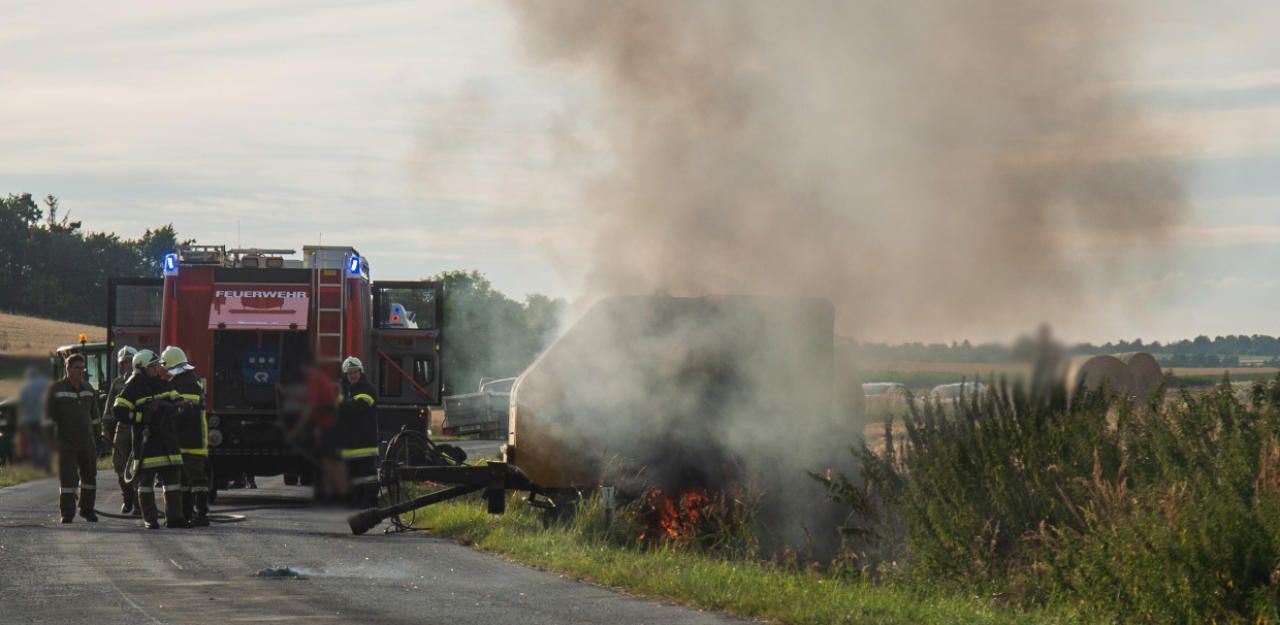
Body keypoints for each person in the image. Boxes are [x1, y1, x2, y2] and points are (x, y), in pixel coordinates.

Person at [114, 349, 186, 529]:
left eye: (157, 365)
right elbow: (119, 410)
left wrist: (175, 407)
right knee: (145, 484)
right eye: (153, 366)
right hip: (147, 444)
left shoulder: (163, 384)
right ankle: (150, 519)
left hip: (167, 443)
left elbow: (179, 403)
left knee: (172, 484)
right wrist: (141, 418)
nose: (157, 369)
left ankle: (174, 518)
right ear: (142, 368)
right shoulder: (133, 387)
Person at [45, 354, 101, 523]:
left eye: (83, 368)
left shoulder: (88, 388)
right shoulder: (56, 389)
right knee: (68, 479)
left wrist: (98, 438)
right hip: (66, 442)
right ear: (68, 369)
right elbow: (48, 419)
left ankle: (87, 510)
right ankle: (67, 513)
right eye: (77, 368)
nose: (81, 371)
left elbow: (95, 417)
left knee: (89, 477)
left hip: (87, 442)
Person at [161, 346, 210, 526]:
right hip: (186, 436)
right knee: (185, 479)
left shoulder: (186, 381)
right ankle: (188, 513)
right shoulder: (186, 379)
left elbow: (184, 409)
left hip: (192, 436)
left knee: (196, 478)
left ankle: (201, 514)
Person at [288, 357, 346, 502]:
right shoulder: (321, 378)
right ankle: (334, 495)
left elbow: (310, 406)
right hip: (330, 424)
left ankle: (339, 495)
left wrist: (296, 430)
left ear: (305, 367)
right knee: (328, 461)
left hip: (329, 425)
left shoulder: (314, 378)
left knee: (331, 462)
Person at [337, 357, 379, 508]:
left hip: (365, 444)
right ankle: (356, 501)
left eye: (355, 372)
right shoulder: (344, 389)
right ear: (345, 375)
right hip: (349, 445)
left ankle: (370, 502)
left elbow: (357, 407)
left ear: (361, 372)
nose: (353, 375)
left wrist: (339, 406)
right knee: (353, 476)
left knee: (367, 475)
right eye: (349, 373)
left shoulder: (368, 388)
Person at [102, 346, 138, 514]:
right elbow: (109, 409)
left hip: (139, 427)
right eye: (123, 363)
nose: (127, 365)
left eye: (129, 362)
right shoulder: (117, 383)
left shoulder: (142, 381)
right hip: (122, 428)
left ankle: (139, 501)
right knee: (118, 464)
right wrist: (106, 429)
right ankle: (128, 497)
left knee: (140, 466)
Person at [17, 367, 51, 472]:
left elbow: (22, 404)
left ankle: (37, 464)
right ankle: (46, 464)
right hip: (43, 418)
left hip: (30, 419)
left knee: (33, 442)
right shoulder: (45, 383)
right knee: (45, 441)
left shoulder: (25, 387)